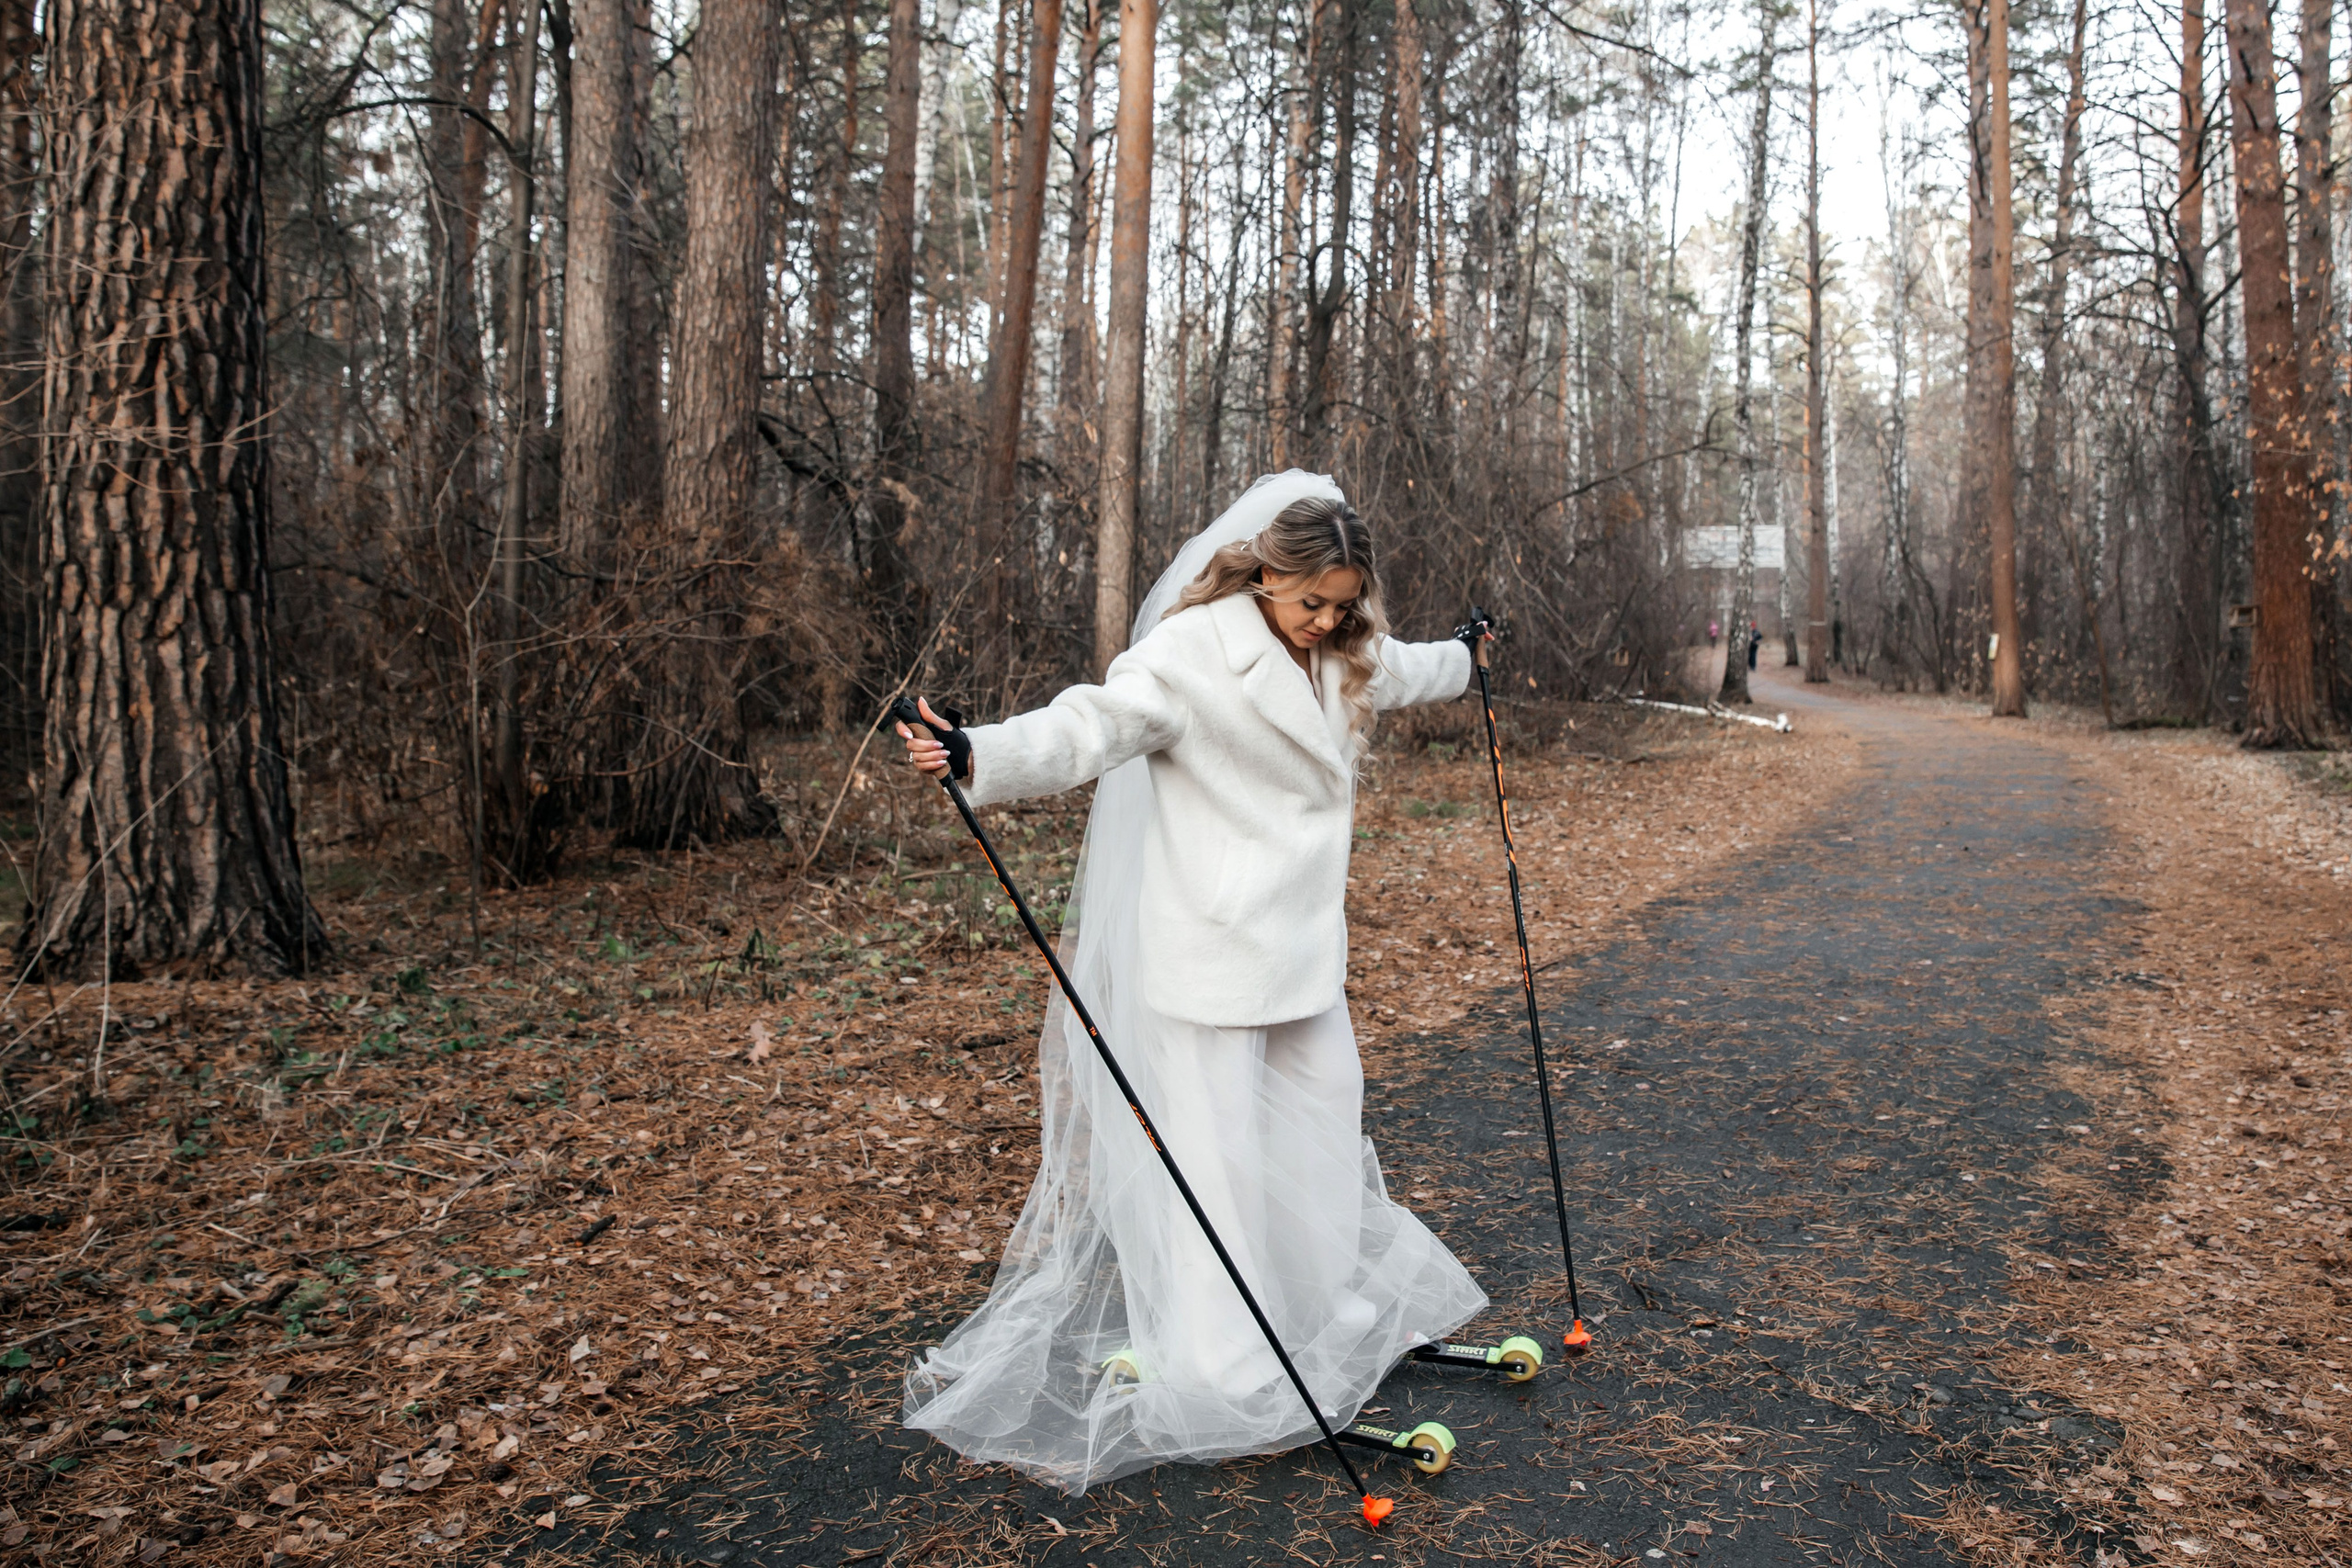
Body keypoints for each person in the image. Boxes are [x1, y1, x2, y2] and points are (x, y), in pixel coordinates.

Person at [894, 470, 1488, 1495]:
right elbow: (1089, 725)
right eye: (1311, 602)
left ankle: (1316, 1318)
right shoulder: (1189, 652)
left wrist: (1471, 658)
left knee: (1321, 1132)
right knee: (1210, 1170)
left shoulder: (1342, 653)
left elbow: (1409, 667)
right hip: (1207, 957)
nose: (1325, 621)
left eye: (1344, 605)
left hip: (1302, 956)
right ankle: (1224, 1370)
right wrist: (977, 752)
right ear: (1265, 574)